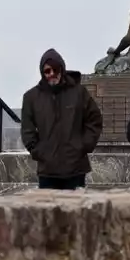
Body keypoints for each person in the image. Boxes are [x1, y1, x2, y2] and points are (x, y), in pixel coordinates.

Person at [21, 48, 103, 189]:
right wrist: (39, 151)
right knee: (48, 211)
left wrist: (83, 145)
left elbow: (94, 120)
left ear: (62, 69)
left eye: (55, 69)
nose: (52, 74)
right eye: (47, 71)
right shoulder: (31, 98)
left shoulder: (79, 93)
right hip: (47, 171)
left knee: (76, 211)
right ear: (42, 72)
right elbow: (27, 130)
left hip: (76, 169)